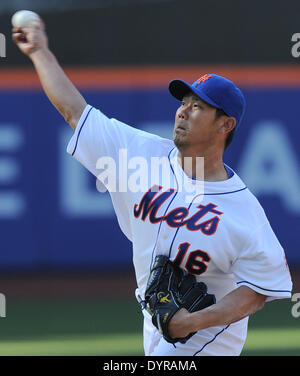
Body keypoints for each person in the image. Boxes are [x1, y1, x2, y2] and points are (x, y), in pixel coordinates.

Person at [12, 19, 293, 356]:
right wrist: (40, 52)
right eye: (183, 103)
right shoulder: (140, 157)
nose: (183, 113)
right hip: (155, 331)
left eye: (198, 107)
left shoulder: (243, 211)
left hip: (206, 344)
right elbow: (75, 112)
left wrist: (193, 322)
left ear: (226, 125)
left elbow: (258, 291)